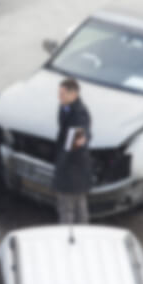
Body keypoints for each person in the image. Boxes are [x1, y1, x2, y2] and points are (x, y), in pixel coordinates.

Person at [53, 78, 93, 224]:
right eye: (59, 94)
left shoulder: (79, 114)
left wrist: (60, 168)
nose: (59, 97)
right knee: (77, 206)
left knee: (69, 209)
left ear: (74, 94)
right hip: (71, 169)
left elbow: (80, 138)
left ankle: (69, 237)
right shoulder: (65, 107)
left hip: (73, 170)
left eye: (63, 94)